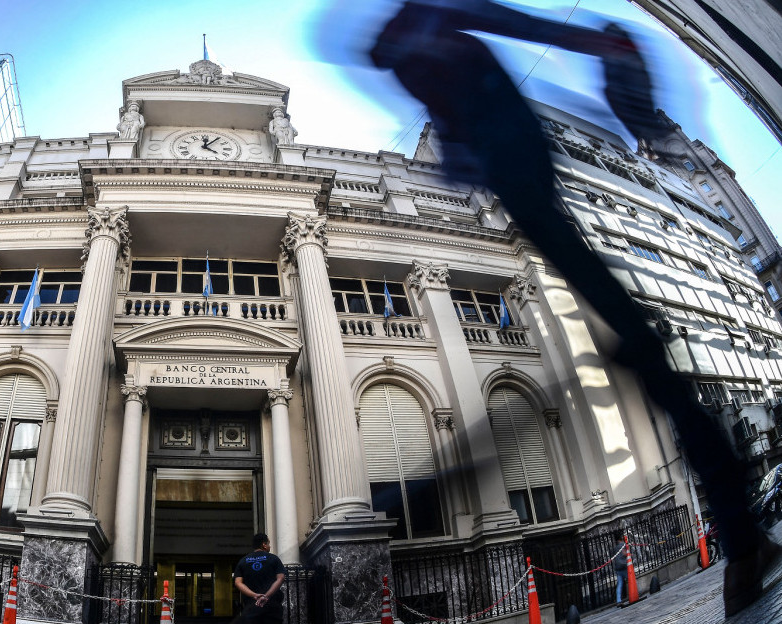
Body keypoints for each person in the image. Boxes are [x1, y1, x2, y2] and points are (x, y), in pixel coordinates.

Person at [368, 1, 781, 616]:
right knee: (637, 358)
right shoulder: (423, 33)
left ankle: (743, 538)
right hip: (533, 205)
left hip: (534, 202)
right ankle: (744, 535)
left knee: (636, 358)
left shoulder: (418, 31)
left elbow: (518, 38)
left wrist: (595, 56)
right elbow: (522, 37)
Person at [234, 533, 286, 623]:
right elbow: (280, 578)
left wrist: (254, 595)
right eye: (268, 544)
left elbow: (238, 583)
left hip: (252, 607)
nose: (269, 546)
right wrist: (266, 596)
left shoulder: (243, 561)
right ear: (264, 545)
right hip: (272, 607)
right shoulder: (273, 558)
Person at [612, 532, 628, 607]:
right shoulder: (623, 545)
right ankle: (633, 593)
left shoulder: (615, 548)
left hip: (618, 567)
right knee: (630, 580)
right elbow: (625, 553)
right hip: (624, 566)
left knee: (620, 584)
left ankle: (618, 600)